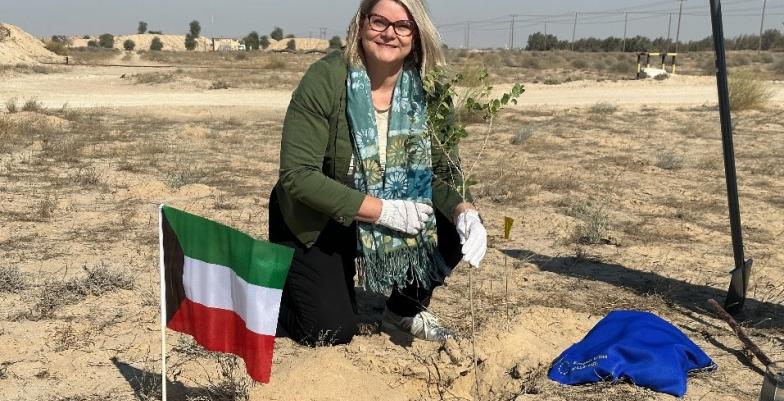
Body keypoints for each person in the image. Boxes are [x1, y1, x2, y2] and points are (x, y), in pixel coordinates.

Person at [268, 0, 487, 346]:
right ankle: (273, 285)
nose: (389, 33)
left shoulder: (431, 91)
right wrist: (384, 211)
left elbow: (444, 172)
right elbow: (298, 174)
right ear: (361, 22)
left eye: (403, 25)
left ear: (416, 35)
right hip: (319, 217)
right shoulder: (326, 79)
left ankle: (404, 308)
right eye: (379, 21)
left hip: (389, 212)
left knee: (452, 220)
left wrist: (466, 212)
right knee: (331, 332)